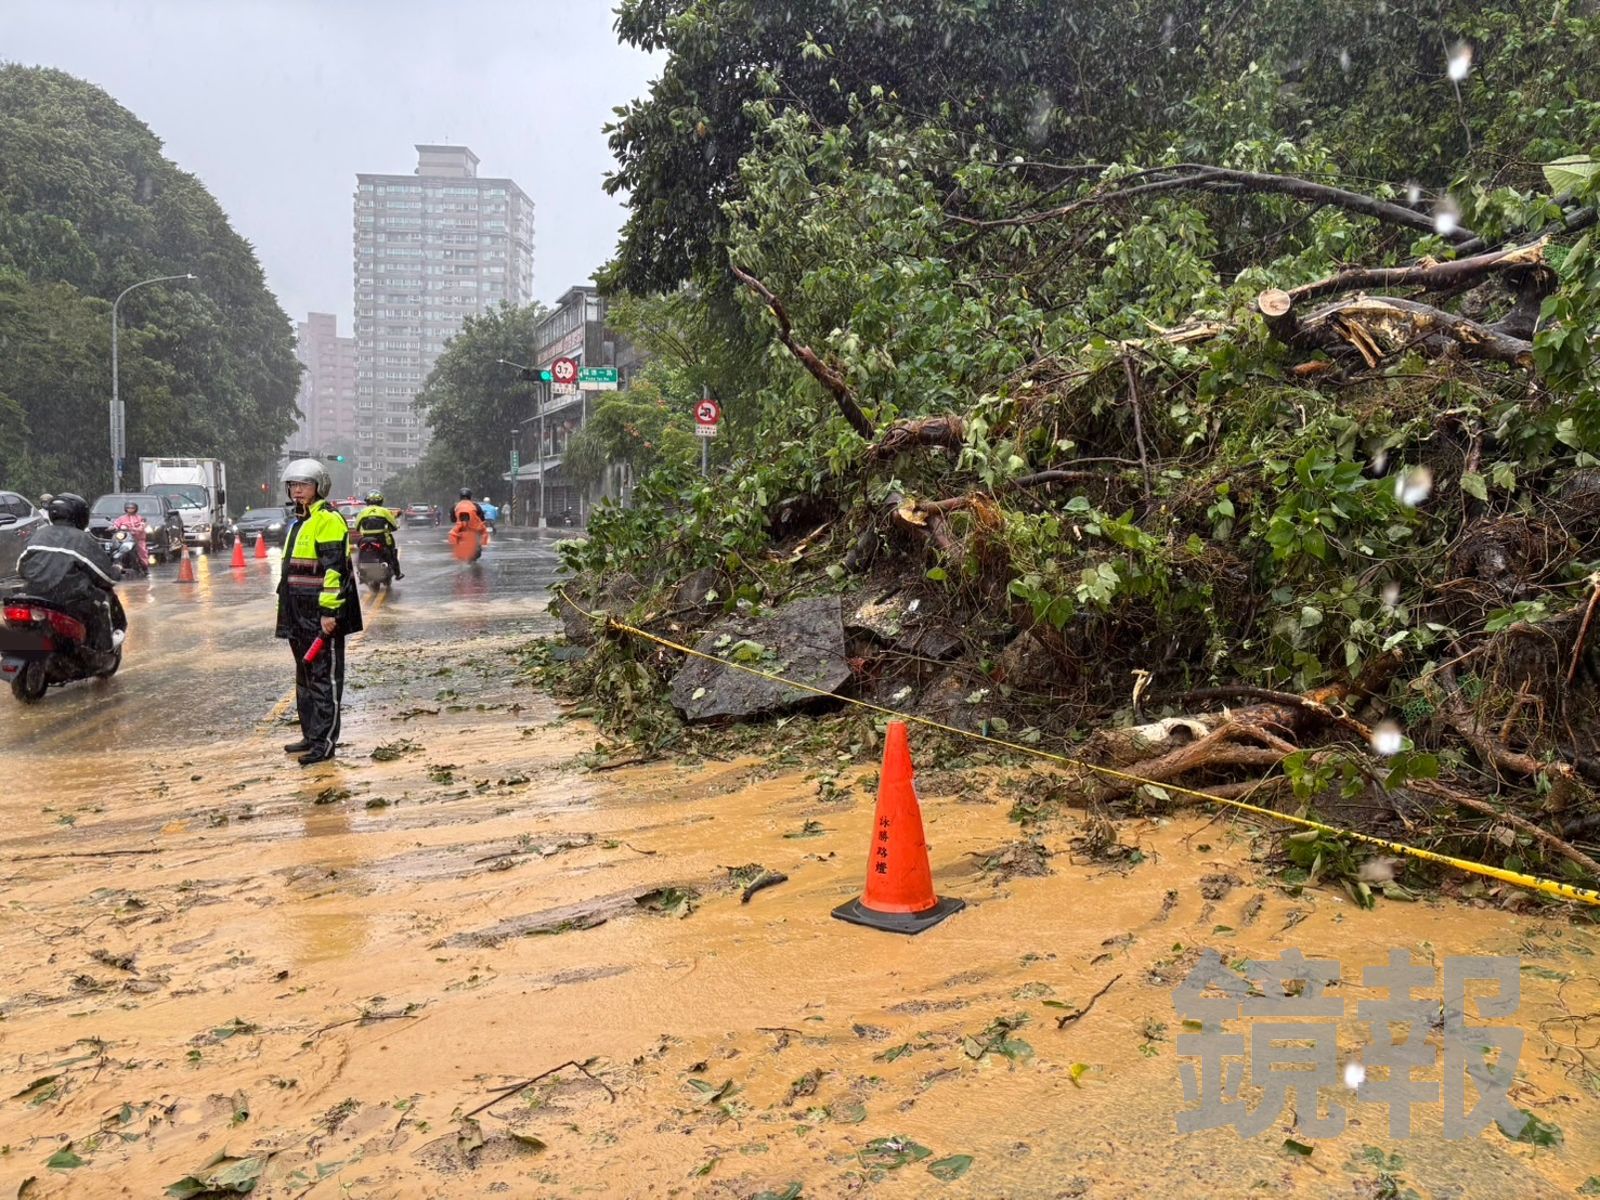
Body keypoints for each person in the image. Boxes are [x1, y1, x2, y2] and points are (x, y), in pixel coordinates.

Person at [275, 459, 363, 767]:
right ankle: (310, 735)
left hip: (319, 614)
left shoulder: (328, 518)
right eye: (293, 486)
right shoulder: (300, 520)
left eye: (303, 485)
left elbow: (334, 570)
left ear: (318, 487)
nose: (297, 491)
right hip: (296, 612)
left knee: (325, 679)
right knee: (305, 678)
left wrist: (328, 613)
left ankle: (324, 743)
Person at [16, 493, 125, 652]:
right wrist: (115, 571)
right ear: (80, 515)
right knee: (102, 600)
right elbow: (105, 577)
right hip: (70, 599)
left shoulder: (38, 535)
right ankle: (103, 648)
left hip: (34, 595)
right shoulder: (82, 539)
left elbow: (20, 567)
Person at [353, 490, 403, 580]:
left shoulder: (362, 512)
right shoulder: (384, 511)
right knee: (391, 552)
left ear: (367, 501)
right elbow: (394, 526)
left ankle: (360, 573)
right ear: (380, 501)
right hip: (382, 538)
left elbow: (356, 527)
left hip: (365, 538)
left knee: (360, 551)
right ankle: (398, 573)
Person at [450, 488, 489, 560]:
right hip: (473, 528)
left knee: (453, 536)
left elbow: (452, 519)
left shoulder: (455, 506)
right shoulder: (476, 505)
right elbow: (482, 518)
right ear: (470, 496)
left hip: (460, 529)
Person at [110, 500, 150, 570]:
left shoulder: (140, 518)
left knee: (142, 552)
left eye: (132, 508)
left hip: (138, 539)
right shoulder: (121, 518)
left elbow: (142, 526)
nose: (130, 509)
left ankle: (144, 566)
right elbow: (116, 524)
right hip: (126, 540)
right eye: (128, 508)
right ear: (125, 509)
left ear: (135, 509)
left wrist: (136, 528)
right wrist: (113, 527)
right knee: (115, 547)